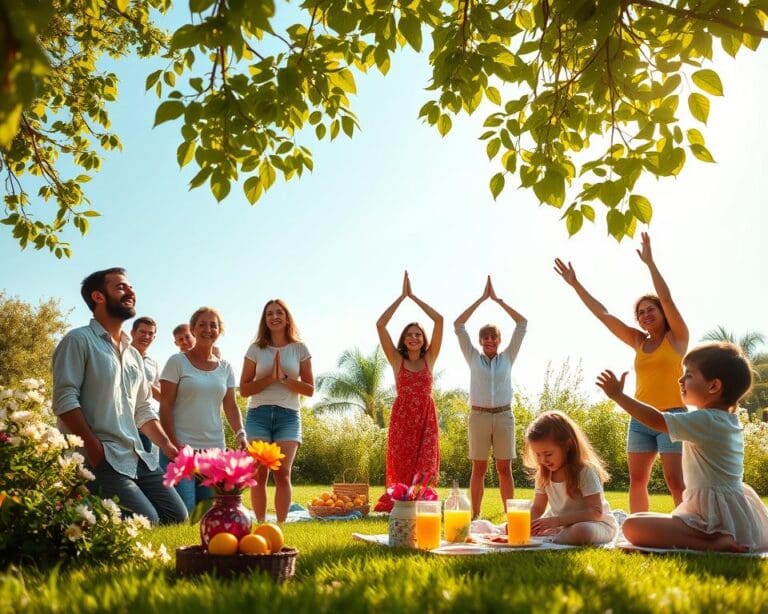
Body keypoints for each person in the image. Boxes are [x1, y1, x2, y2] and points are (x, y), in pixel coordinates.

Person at [554, 232, 688, 513]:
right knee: (637, 480)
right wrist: (575, 284)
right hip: (639, 418)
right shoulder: (639, 341)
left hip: (672, 417)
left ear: (663, 313)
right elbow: (603, 315)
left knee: (676, 481)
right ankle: (639, 525)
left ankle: (689, 527)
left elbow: (667, 297)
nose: (645, 315)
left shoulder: (676, 338)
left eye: (651, 309)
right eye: (640, 313)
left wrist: (650, 264)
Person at [597, 343, 768, 552]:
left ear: (714, 386)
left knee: (632, 527)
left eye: (689, 374)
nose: (680, 380)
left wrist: (618, 396)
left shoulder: (706, 420)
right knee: (637, 518)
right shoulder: (725, 420)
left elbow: (657, 420)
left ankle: (712, 542)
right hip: (723, 510)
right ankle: (714, 538)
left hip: (711, 514)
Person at [52, 268, 187, 524]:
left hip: (134, 454)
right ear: (98, 297)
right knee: (147, 521)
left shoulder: (134, 354)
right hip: (98, 456)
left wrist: (168, 446)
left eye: (131, 287)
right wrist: (92, 445)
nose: (131, 292)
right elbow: (64, 400)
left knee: (176, 516)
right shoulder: (78, 341)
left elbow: (144, 410)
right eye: (121, 287)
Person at [159, 307, 247, 512]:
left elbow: (231, 406)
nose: (208, 329)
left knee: (209, 511)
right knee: (186, 512)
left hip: (214, 452)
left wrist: (241, 433)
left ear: (220, 330)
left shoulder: (225, 368)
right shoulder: (177, 362)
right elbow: (165, 406)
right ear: (193, 329)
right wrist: (172, 443)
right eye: (202, 325)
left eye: (213, 325)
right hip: (182, 449)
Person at [454, 276, 527, 519]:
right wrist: (480, 300)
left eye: (493, 337)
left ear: (499, 340)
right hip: (479, 416)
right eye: (485, 338)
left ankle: (511, 516)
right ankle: (475, 515)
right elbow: (458, 325)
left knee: (504, 468)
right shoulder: (473, 358)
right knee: (479, 468)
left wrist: (497, 301)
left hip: (504, 416)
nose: (489, 341)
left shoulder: (508, 357)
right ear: (480, 341)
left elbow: (522, 323)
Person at [240, 299, 314, 522]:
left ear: (287, 317)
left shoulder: (299, 348)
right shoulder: (255, 349)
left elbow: (310, 389)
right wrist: (269, 378)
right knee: (259, 473)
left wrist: (283, 378)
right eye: (269, 313)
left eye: (279, 313)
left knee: (283, 473)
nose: (274, 317)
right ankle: (261, 523)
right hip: (258, 415)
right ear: (265, 319)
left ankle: (280, 526)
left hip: (288, 416)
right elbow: (244, 389)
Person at [377, 271, 443, 487]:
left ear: (423, 339)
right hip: (402, 419)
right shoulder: (397, 360)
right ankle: (402, 504)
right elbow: (380, 325)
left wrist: (413, 297)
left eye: (418, 334)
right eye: (409, 335)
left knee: (426, 464)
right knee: (402, 465)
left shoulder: (430, 358)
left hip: (426, 419)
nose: (413, 338)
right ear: (403, 341)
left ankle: (423, 504)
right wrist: (401, 297)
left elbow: (439, 320)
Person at [523, 411, 618, 545]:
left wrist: (555, 522)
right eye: (537, 455)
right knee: (516, 528)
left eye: (548, 454)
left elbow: (596, 512)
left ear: (567, 445)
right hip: (562, 526)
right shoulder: (543, 474)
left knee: (581, 531)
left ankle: (552, 538)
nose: (543, 460)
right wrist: (522, 524)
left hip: (597, 524)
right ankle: (555, 536)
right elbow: (538, 508)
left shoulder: (584, 471)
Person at [131, 316, 161, 454]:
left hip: (144, 428)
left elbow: (159, 395)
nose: (146, 336)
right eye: (142, 332)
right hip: (121, 425)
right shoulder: (120, 354)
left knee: (144, 470)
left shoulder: (153, 364)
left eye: (150, 334)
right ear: (133, 333)